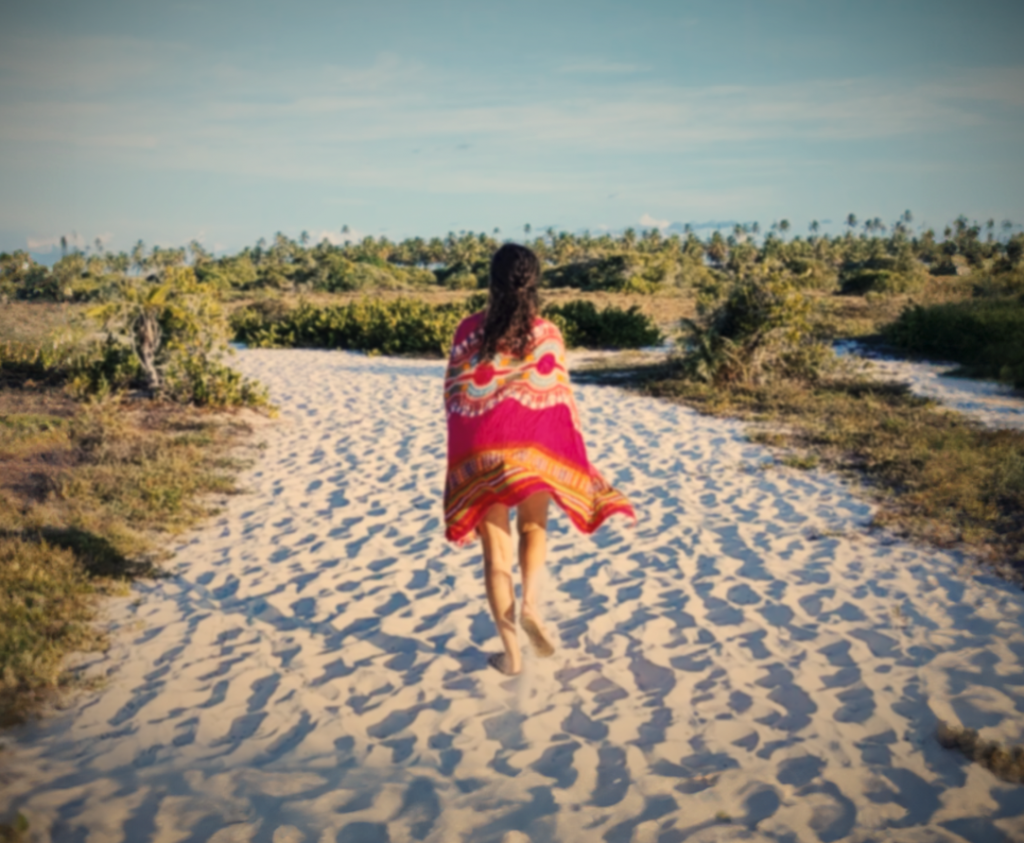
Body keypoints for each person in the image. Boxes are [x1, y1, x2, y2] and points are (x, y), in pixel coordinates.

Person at [443, 243, 635, 675]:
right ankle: (530, 605)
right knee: (533, 527)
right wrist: (572, 454)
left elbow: (456, 398)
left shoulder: (467, 330)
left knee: (495, 554)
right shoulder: (547, 332)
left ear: (493, 281)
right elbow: (559, 401)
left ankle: (510, 658)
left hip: (482, 448)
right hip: (534, 447)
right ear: (535, 281)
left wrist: (462, 469)